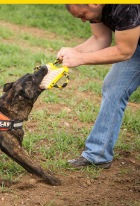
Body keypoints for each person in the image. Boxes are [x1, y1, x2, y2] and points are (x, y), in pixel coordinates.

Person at [57, 4, 140, 169]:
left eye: (82, 15)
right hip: (134, 44)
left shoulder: (126, 5)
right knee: (113, 89)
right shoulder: (96, 10)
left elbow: (124, 50)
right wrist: (73, 52)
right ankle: (98, 155)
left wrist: (81, 58)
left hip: (129, 46)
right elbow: (100, 39)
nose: (82, 20)